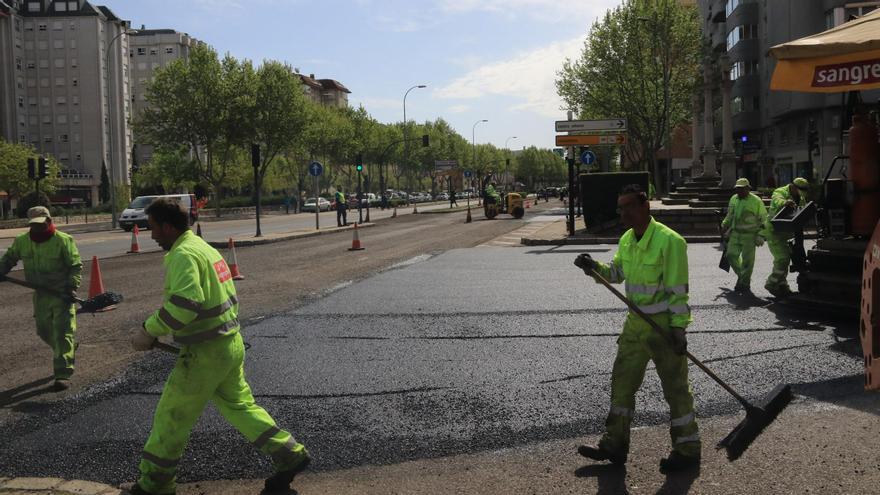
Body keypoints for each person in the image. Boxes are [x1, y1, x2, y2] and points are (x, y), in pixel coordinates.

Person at [125, 198, 310, 495]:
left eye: (154, 228)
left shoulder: (183, 254)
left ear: (168, 227)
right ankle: (289, 454)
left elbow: (185, 305)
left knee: (171, 417)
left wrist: (149, 331)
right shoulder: (204, 248)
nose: (152, 235)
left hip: (203, 354)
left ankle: (155, 485)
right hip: (228, 343)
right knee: (241, 407)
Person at [573, 184, 700, 472]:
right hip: (634, 327)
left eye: (628, 206)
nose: (623, 213)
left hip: (663, 329)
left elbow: (678, 291)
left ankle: (688, 449)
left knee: (676, 390)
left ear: (645, 206)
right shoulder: (627, 240)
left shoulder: (671, 241)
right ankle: (614, 445)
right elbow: (617, 272)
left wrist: (679, 329)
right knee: (622, 385)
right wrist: (594, 267)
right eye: (620, 207)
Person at [0, 206, 81, 391]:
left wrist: (71, 287)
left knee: (62, 333)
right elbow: (10, 258)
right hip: (40, 294)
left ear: (49, 221)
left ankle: (62, 373)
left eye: (41, 224)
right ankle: (67, 349)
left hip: (61, 294)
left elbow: (75, 265)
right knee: (43, 331)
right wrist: (1, 269)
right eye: (34, 225)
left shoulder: (63, 240)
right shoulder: (22, 241)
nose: (37, 228)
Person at [763, 177, 809, 298]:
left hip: (786, 233)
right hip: (774, 231)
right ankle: (771, 284)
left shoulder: (801, 198)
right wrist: (785, 203)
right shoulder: (780, 192)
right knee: (782, 258)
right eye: (799, 192)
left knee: (786, 258)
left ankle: (782, 286)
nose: (800, 195)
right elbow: (778, 201)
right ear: (793, 187)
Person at [721, 178, 768, 294]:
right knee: (731, 255)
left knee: (748, 262)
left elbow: (764, 219)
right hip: (735, 233)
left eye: (741, 189)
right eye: (737, 189)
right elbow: (730, 215)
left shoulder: (756, 201)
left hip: (750, 236)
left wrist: (761, 235)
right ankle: (743, 277)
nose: (739, 191)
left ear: (748, 189)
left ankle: (744, 284)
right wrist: (724, 224)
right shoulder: (734, 199)